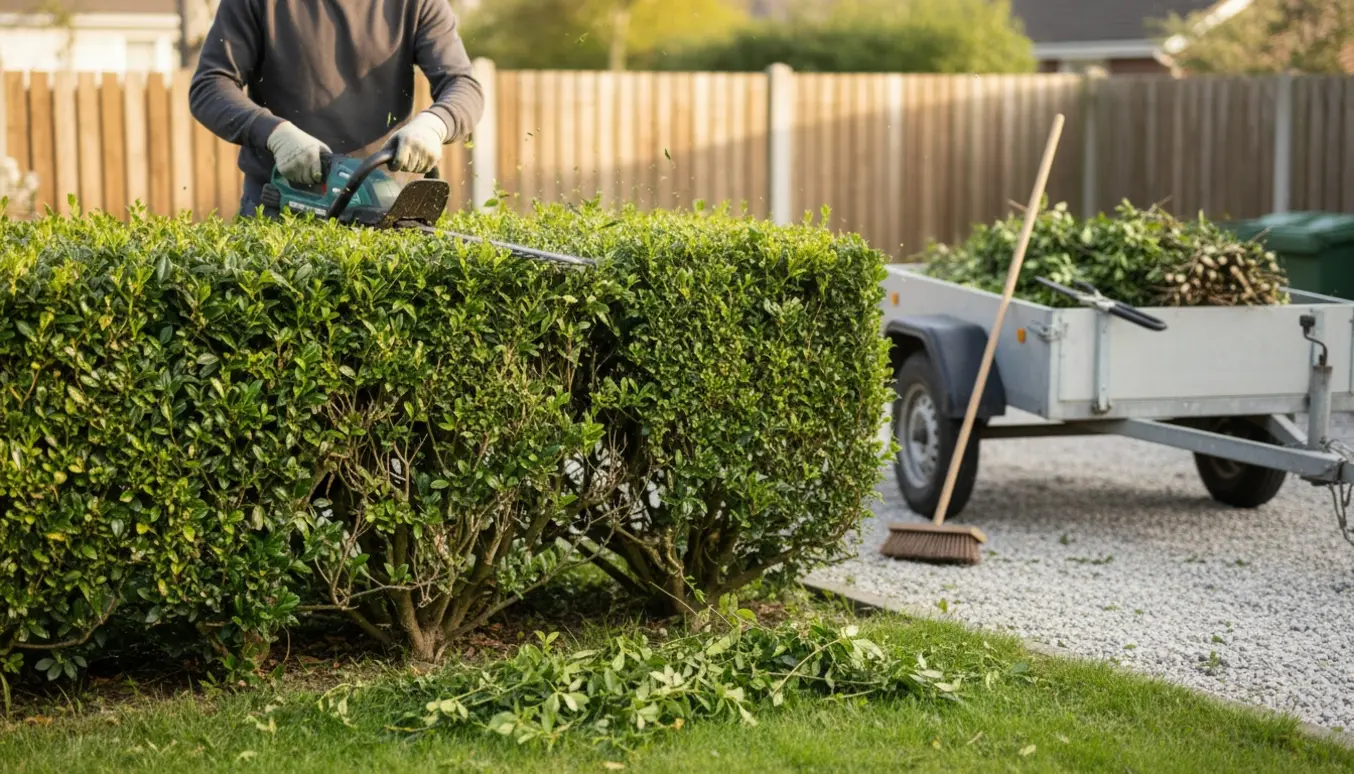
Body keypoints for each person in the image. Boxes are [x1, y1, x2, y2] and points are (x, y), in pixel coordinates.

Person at [188, 0, 484, 216]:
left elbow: (462, 85)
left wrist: (433, 125)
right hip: (282, 207)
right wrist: (275, 134)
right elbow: (211, 85)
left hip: (382, 207)